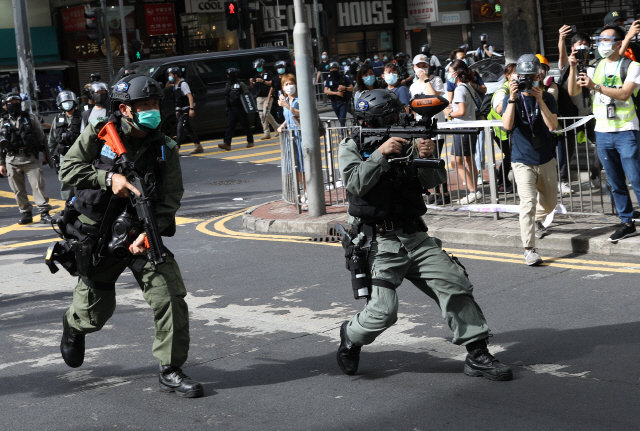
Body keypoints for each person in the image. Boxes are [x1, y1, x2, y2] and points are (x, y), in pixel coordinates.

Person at [336, 88, 512, 381]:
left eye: (398, 114)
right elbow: (355, 183)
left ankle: (477, 354)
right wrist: (381, 154)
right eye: (390, 117)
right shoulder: (352, 145)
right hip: (380, 243)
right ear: (369, 121)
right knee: (383, 312)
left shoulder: (409, 139)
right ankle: (351, 336)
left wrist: (426, 153)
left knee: (454, 283)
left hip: (415, 236)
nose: (398, 119)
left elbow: (432, 180)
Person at [57, 73, 203, 398]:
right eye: (144, 105)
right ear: (125, 110)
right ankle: (73, 325)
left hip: (140, 232)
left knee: (170, 296)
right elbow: (67, 168)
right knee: (94, 314)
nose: (152, 110)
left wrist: (149, 234)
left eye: (155, 104)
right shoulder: (99, 135)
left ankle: (170, 369)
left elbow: (170, 196)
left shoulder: (165, 148)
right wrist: (108, 179)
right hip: (98, 235)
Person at [569, 24, 640, 242]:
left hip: (626, 131)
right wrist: (573, 68)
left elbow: (625, 94)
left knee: (636, 180)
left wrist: (596, 87)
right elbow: (573, 91)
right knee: (615, 182)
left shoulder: (632, 66)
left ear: (619, 43)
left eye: (607, 40)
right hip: (602, 132)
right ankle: (627, 222)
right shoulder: (593, 67)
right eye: (599, 40)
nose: (601, 44)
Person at [502, 54, 559, 265]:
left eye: (533, 76)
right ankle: (530, 249)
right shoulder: (512, 97)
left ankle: (533, 219)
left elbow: (553, 126)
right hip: (521, 160)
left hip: (545, 158)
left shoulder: (548, 97)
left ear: (539, 75)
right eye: (524, 76)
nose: (529, 80)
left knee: (550, 203)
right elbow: (507, 126)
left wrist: (540, 100)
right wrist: (512, 98)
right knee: (527, 203)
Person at [558, 27, 603, 189]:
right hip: (570, 116)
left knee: (601, 144)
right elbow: (562, 54)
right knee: (568, 150)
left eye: (586, 44)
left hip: (589, 115)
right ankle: (562, 181)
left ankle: (595, 175)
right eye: (579, 44)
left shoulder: (593, 67)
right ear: (573, 48)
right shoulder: (567, 66)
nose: (582, 47)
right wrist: (561, 38)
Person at [0, 93, 52, 225]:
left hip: (30, 158)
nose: (14, 104)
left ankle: (44, 213)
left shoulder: (30, 118)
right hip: (12, 159)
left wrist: (46, 156)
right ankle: (26, 213)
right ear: (5, 105)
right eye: (11, 102)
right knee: (17, 190)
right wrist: (1, 163)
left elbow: (41, 139)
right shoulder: (2, 122)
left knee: (38, 186)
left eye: (17, 101)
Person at [410, 54, 450, 204]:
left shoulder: (436, 80)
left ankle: (444, 192)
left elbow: (435, 98)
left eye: (423, 65)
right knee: (426, 158)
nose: (421, 69)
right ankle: (435, 191)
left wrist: (426, 79)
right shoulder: (413, 86)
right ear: (413, 68)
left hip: (436, 126)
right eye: (418, 66)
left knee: (437, 158)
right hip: (421, 127)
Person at [444, 60, 481, 205]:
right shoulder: (468, 86)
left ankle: (473, 192)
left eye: (450, 71)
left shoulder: (459, 89)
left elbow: (461, 111)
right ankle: (475, 191)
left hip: (462, 128)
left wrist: (449, 113)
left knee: (455, 162)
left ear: (457, 72)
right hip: (470, 128)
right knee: (469, 160)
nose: (448, 74)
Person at [276, 74, 306, 208]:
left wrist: (287, 106)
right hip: (290, 137)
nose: (289, 86)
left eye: (291, 83)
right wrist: (283, 125)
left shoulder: (300, 99)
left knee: (304, 166)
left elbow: (303, 113)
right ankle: (306, 191)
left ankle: (310, 193)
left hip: (301, 136)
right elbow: (289, 118)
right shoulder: (285, 100)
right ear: (283, 87)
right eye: (286, 84)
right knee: (296, 167)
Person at [487, 64, 516, 193]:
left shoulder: (515, 88)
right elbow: (498, 109)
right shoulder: (503, 90)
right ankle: (502, 182)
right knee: (509, 155)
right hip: (500, 130)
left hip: (507, 129)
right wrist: (511, 99)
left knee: (510, 155)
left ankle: (504, 181)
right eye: (514, 72)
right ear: (507, 75)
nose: (517, 75)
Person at [48, 90, 82, 201]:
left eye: (69, 101)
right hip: (63, 155)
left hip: (80, 153)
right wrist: (51, 155)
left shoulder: (82, 116)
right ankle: (68, 204)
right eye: (65, 101)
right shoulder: (58, 119)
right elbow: (52, 139)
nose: (67, 103)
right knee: (66, 180)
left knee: (81, 178)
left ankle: (82, 203)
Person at [166, 67, 202, 154]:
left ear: (176, 75)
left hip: (186, 109)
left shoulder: (183, 84)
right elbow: (174, 96)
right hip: (180, 110)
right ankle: (198, 146)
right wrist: (176, 111)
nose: (169, 77)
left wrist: (191, 109)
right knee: (188, 128)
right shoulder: (176, 85)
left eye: (170, 75)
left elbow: (190, 96)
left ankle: (176, 148)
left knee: (180, 128)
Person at [220, 67, 254, 151]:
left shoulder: (240, 84)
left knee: (245, 125)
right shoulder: (228, 85)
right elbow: (226, 97)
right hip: (232, 108)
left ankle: (250, 141)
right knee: (230, 126)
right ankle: (227, 143)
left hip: (241, 108)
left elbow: (247, 95)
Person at [250, 58, 279, 141]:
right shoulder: (257, 75)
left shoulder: (269, 73)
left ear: (263, 66)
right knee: (261, 115)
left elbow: (271, 83)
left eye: (259, 67)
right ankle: (266, 132)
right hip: (259, 97)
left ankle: (276, 127)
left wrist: (263, 81)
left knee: (266, 113)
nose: (258, 69)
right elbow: (254, 86)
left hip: (268, 96)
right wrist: (252, 82)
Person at [324, 62, 353, 127]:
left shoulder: (344, 77)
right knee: (340, 119)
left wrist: (344, 88)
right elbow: (325, 91)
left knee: (342, 119)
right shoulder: (329, 79)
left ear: (338, 69)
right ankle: (345, 131)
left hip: (343, 101)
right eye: (331, 69)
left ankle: (343, 134)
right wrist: (336, 93)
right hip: (334, 102)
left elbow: (351, 88)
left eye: (335, 69)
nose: (333, 71)